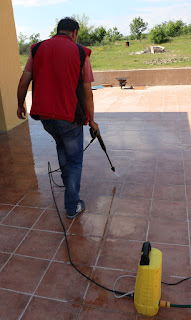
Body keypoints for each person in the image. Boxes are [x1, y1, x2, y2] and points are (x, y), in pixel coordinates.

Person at [17, 17, 98, 218]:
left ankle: (67, 181)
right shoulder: (80, 52)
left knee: (61, 146)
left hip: (45, 118)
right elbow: (88, 92)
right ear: (75, 33)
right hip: (69, 118)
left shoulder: (37, 49)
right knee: (75, 160)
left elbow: (24, 79)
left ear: (58, 30)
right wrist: (93, 120)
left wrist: (20, 104)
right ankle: (72, 206)